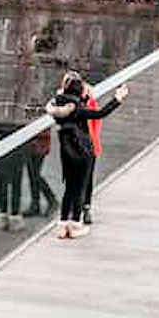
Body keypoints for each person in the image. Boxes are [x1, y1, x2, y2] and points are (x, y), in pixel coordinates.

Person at [46, 73, 129, 239]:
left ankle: (62, 225)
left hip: (67, 153)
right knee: (80, 188)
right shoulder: (78, 109)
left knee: (69, 188)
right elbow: (100, 113)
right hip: (83, 153)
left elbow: (71, 105)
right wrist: (117, 98)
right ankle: (76, 225)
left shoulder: (58, 106)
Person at [81, 84, 105, 226]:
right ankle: (80, 207)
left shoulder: (91, 105)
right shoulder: (76, 105)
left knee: (87, 178)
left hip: (89, 148)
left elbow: (95, 128)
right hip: (79, 148)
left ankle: (86, 207)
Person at [0, 143, 28, 232]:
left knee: (3, 184)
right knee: (16, 185)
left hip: (0, 150)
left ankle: (3, 216)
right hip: (16, 151)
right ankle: (15, 217)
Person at [25, 127, 57, 217]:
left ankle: (51, 200)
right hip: (30, 142)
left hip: (40, 143)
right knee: (32, 174)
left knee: (35, 174)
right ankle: (35, 204)